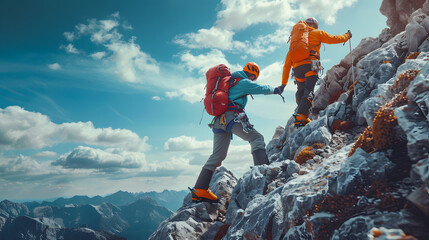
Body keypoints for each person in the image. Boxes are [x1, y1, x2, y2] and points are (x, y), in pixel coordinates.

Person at [190, 62, 283, 203]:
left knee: (217, 155)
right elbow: (260, 88)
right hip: (231, 118)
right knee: (257, 138)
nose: (253, 80)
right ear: (253, 75)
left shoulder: (229, 82)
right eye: (254, 78)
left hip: (218, 121)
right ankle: (264, 176)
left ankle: (200, 189)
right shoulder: (243, 81)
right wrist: (275, 89)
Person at [275, 17, 352, 127]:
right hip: (310, 65)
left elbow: (287, 65)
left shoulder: (296, 42)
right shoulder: (317, 33)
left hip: (297, 69)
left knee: (300, 90)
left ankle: (302, 115)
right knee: (309, 90)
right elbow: (334, 39)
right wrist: (347, 36)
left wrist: (283, 84)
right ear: (315, 25)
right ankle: (301, 117)